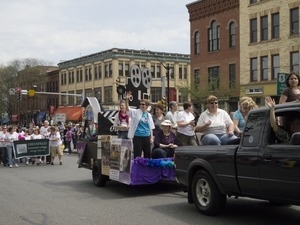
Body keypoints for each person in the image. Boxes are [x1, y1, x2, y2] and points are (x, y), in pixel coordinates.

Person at [125, 91, 155, 158]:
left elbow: (151, 127)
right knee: (137, 155)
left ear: (146, 106)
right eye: (141, 104)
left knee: (147, 155)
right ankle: (137, 167)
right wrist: (126, 99)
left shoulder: (149, 115)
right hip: (137, 136)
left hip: (146, 136)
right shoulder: (136, 112)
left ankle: (146, 168)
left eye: (143, 104)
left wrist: (151, 138)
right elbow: (128, 109)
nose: (141, 105)